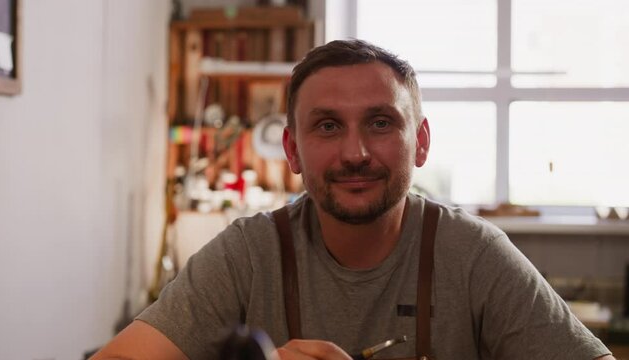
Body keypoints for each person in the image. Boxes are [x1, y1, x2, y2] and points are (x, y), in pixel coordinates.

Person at [91, 39, 615, 360]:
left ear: (422, 142)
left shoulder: (472, 254)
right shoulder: (249, 254)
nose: (355, 152)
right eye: (327, 126)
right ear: (292, 150)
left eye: (381, 123)